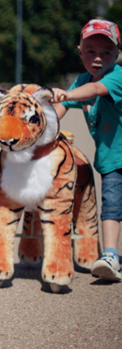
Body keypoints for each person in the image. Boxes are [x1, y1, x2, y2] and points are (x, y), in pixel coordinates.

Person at [51, 18, 122, 282]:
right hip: (110, 159)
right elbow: (58, 112)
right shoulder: (80, 80)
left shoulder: (117, 77)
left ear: (117, 54)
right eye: (90, 51)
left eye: (106, 52)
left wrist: (67, 95)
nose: (98, 58)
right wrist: (43, 127)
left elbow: (94, 90)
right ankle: (112, 256)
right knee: (112, 207)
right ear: (80, 51)